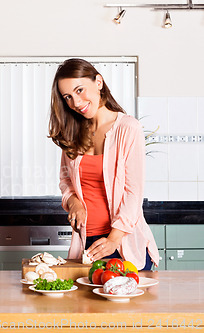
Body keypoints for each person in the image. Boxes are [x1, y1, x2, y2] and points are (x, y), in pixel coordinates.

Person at [48, 58, 159, 271]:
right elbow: (65, 180)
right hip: (88, 244)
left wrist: (113, 240)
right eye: (68, 97)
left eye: (80, 90)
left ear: (98, 82)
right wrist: (74, 203)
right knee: (83, 305)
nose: (76, 102)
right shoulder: (71, 133)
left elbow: (133, 193)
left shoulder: (128, 128)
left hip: (121, 243)